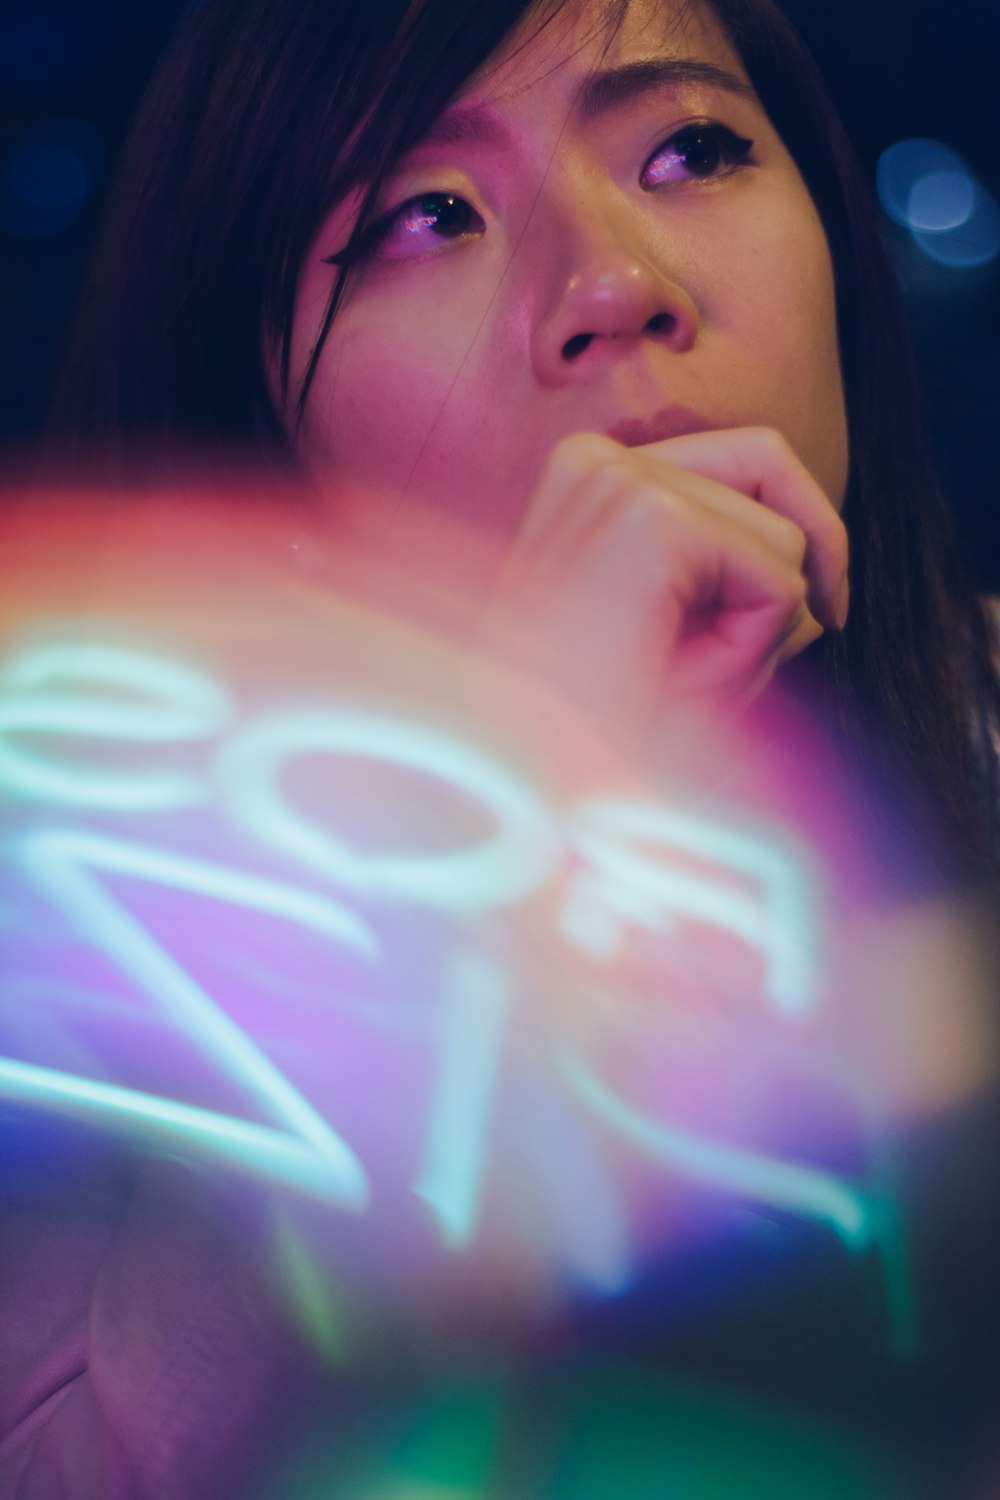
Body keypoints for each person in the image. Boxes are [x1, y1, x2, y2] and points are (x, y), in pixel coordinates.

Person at [7, 0, 999, 1493]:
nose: (614, 282)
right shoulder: (80, 974)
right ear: (255, 423)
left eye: (695, 149)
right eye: (427, 215)